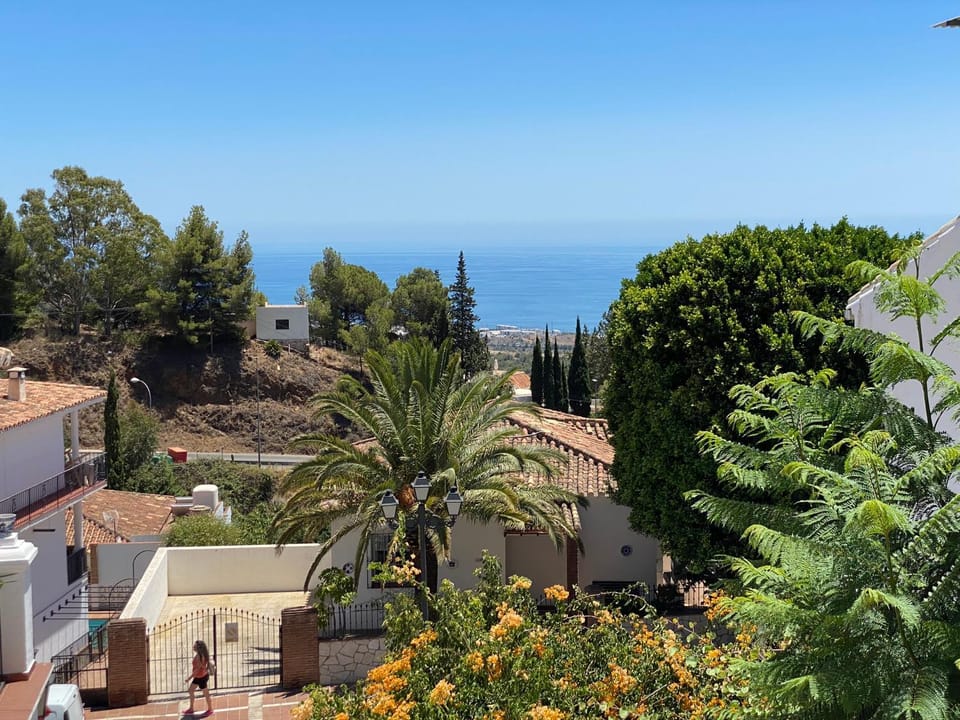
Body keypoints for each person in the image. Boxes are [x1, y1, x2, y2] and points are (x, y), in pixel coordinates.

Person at [184, 640, 213, 716]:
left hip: (201, 677)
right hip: (199, 676)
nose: (193, 647)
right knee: (191, 690)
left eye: (195, 646)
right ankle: (191, 708)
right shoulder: (199, 655)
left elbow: (197, 670)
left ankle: (210, 709)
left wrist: (189, 678)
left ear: (199, 648)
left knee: (206, 693)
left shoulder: (200, 657)